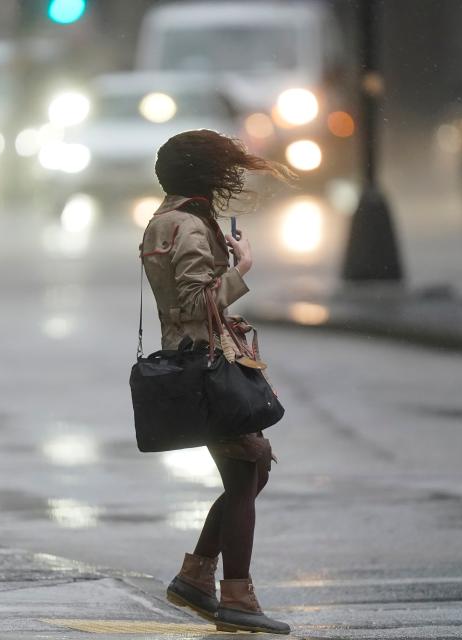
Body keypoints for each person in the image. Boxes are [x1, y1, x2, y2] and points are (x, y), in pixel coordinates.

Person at [140, 130, 293, 634]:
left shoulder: (171, 218)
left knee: (250, 473)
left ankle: (198, 577)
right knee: (247, 472)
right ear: (204, 174)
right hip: (204, 367)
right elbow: (191, 304)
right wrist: (243, 267)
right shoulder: (184, 225)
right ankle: (237, 595)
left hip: (197, 361)